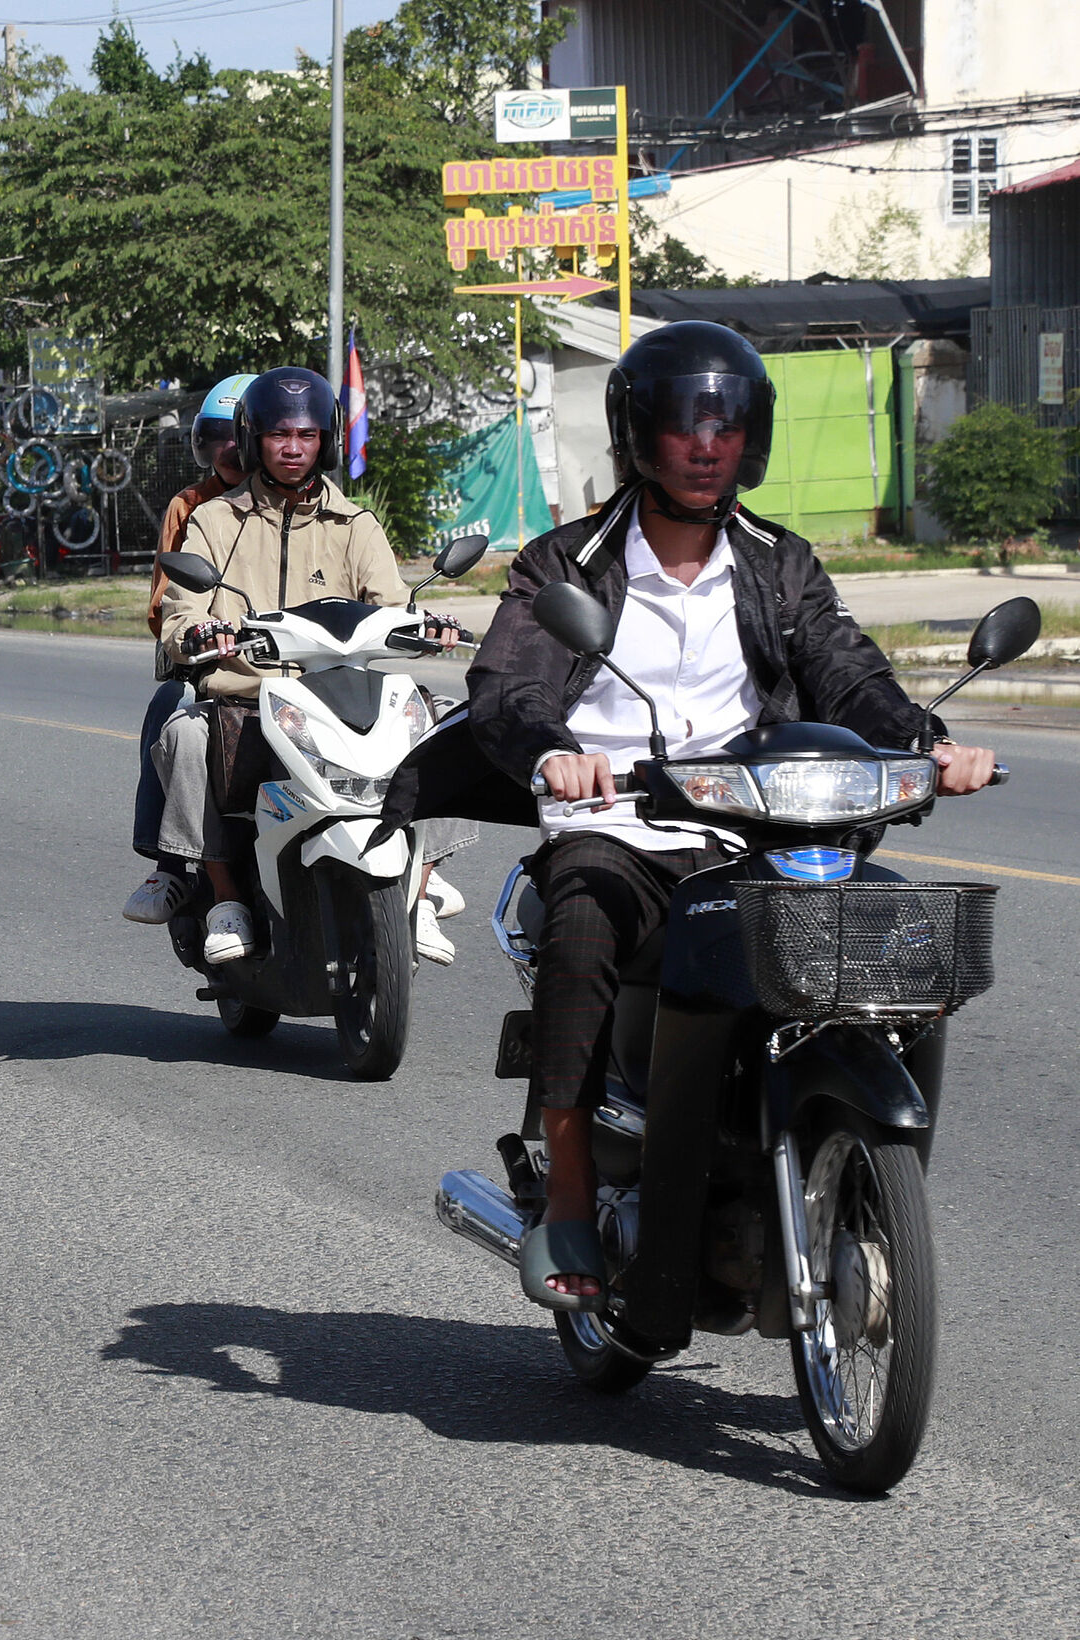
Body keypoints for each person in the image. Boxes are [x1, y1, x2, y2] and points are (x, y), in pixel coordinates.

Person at [462, 320, 998, 1335]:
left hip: (749, 828)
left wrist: (926, 743)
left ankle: (857, 1195)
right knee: (579, 925)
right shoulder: (563, 564)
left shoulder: (777, 563)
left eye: (727, 423)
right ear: (637, 435)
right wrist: (548, 751)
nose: (707, 443)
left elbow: (848, 668)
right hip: (615, 824)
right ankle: (570, 1202)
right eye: (683, 422)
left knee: (902, 942)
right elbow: (507, 686)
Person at [152, 368, 412, 964]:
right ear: (251, 439)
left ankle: (419, 886)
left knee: (441, 723)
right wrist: (197, 632)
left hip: (339, 702)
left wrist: (426, 627)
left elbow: (393, 607)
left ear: (328, 440)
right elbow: (178, 614)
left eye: (307, 435)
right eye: (278, 435)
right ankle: (223, 898)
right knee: (187, 735)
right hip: (245, 702)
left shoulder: (357, 526)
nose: (294, 448)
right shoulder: (214, 522)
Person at [123, 374, 252, 928]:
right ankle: (171, 861)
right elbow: (164, 604)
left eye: (239, 436)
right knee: (170, 713)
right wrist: (203, 630)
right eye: (217, 437)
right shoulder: (192, 506)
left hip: (291, 667)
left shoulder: (315, 506)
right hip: (209, 664)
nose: (228, 451)